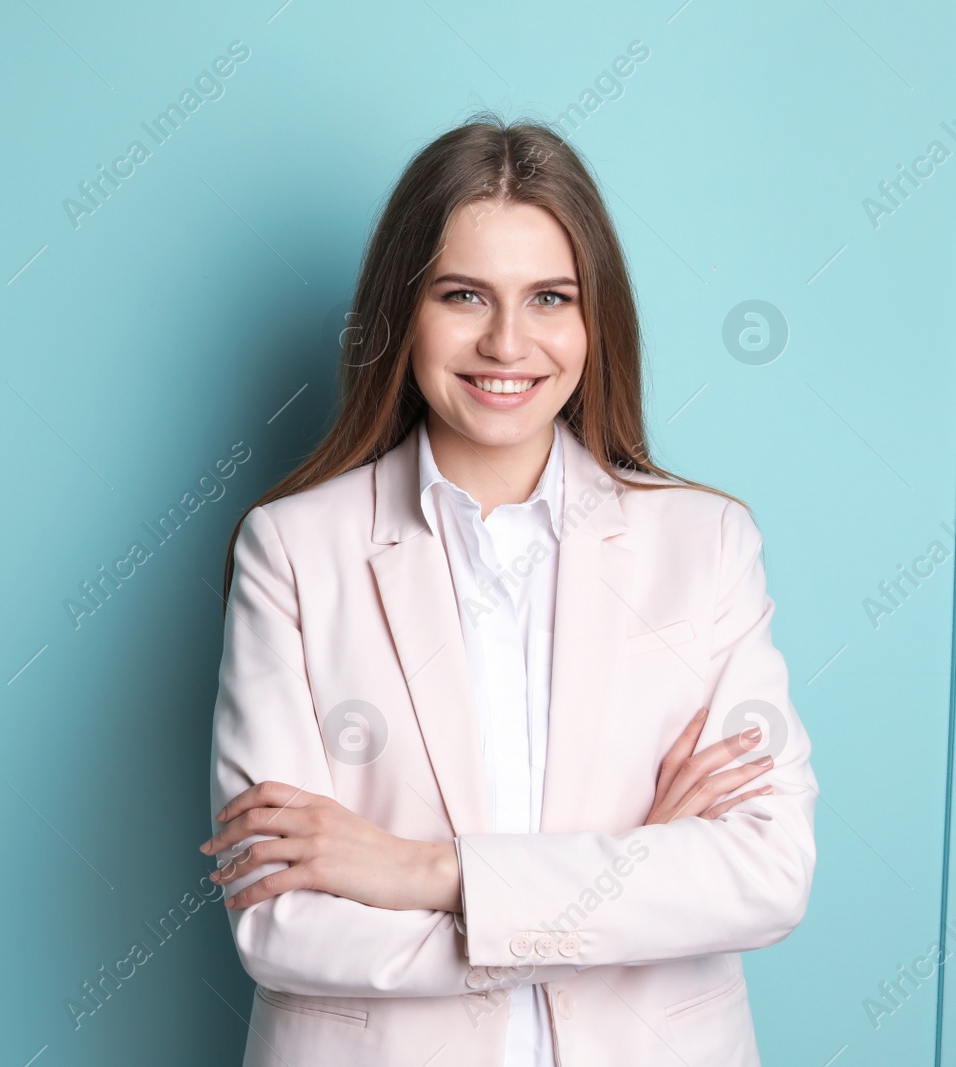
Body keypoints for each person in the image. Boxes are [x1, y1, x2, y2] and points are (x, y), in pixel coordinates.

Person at [200, 113, 817, 1066]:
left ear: (592, 317)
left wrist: (424, 873)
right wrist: (627, 887)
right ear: (404, 313)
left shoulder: (707, 543)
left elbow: (766, 871)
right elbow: (283, 922)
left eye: (549, 298)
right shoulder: (291, 551)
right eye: (463, 295)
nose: (507, 341)